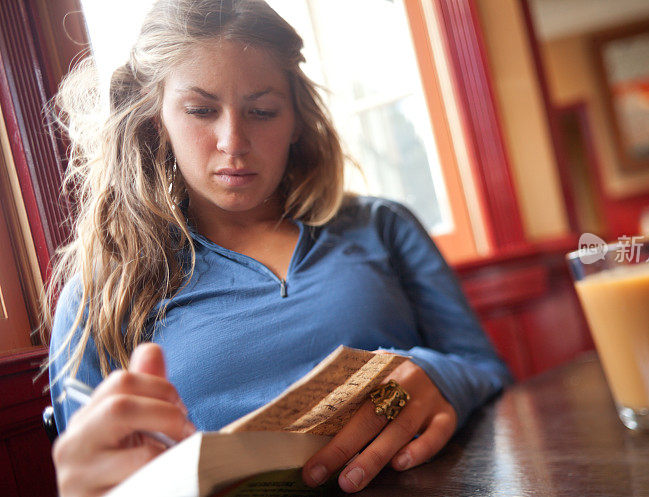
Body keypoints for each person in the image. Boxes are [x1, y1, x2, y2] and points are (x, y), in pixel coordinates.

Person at [43, 1, 512, 496]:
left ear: (296, 119)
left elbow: (486, 370)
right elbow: (98, 477)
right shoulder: (102, 291)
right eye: (201, 110)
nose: (233, 141)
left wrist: (437, 374)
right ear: (155, 118)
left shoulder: (382, 227)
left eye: (262, 111)